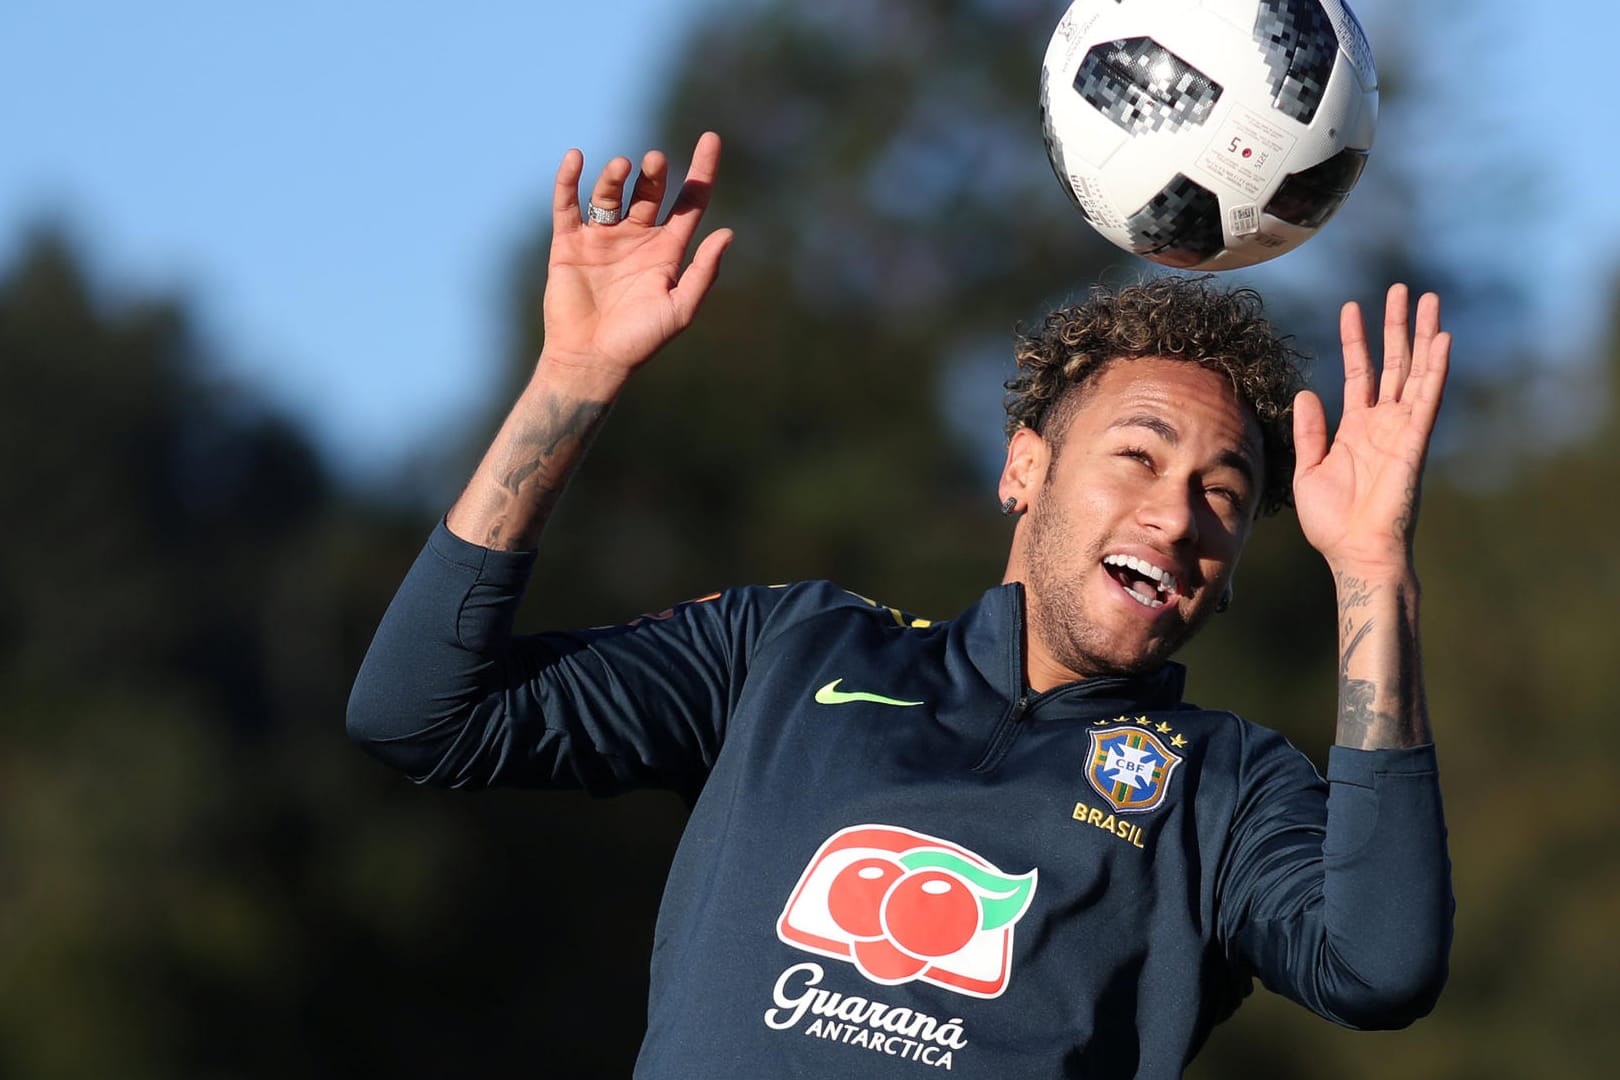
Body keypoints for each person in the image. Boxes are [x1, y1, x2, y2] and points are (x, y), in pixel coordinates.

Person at [347, 132, 1453, 1078]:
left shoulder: (1225, 785)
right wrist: (573, 379)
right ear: (1025, 469)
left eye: (1223, 495)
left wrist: (1370, 572)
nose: (1176, 518)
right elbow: (421, 714)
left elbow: (1382, 964)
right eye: (1138, 456)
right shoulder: (785, 649)